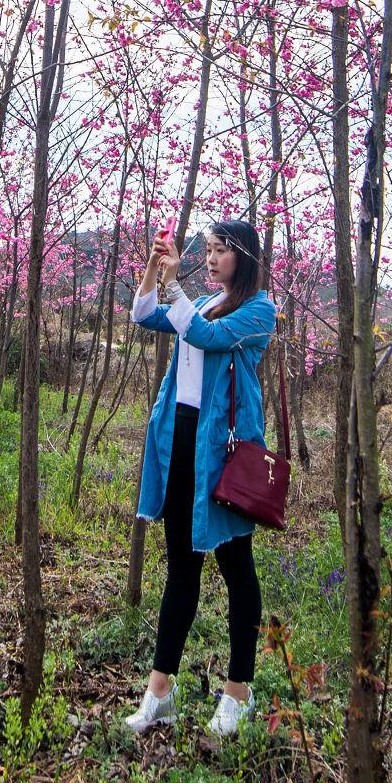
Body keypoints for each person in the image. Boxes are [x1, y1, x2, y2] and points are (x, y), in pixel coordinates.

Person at [122, 218, 275, 738]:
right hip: (182, 441)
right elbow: (144, 315)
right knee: (181, 570)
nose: (210, 259)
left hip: (224, 453)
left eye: (220, 252)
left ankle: (238, 693)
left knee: (236, 569)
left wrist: (175, 284)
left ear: (245, 257)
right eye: (207, 250)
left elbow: (205, 338)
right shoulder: (205, 303)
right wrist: (152, 269)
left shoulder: (259, 310)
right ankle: (159, 693)